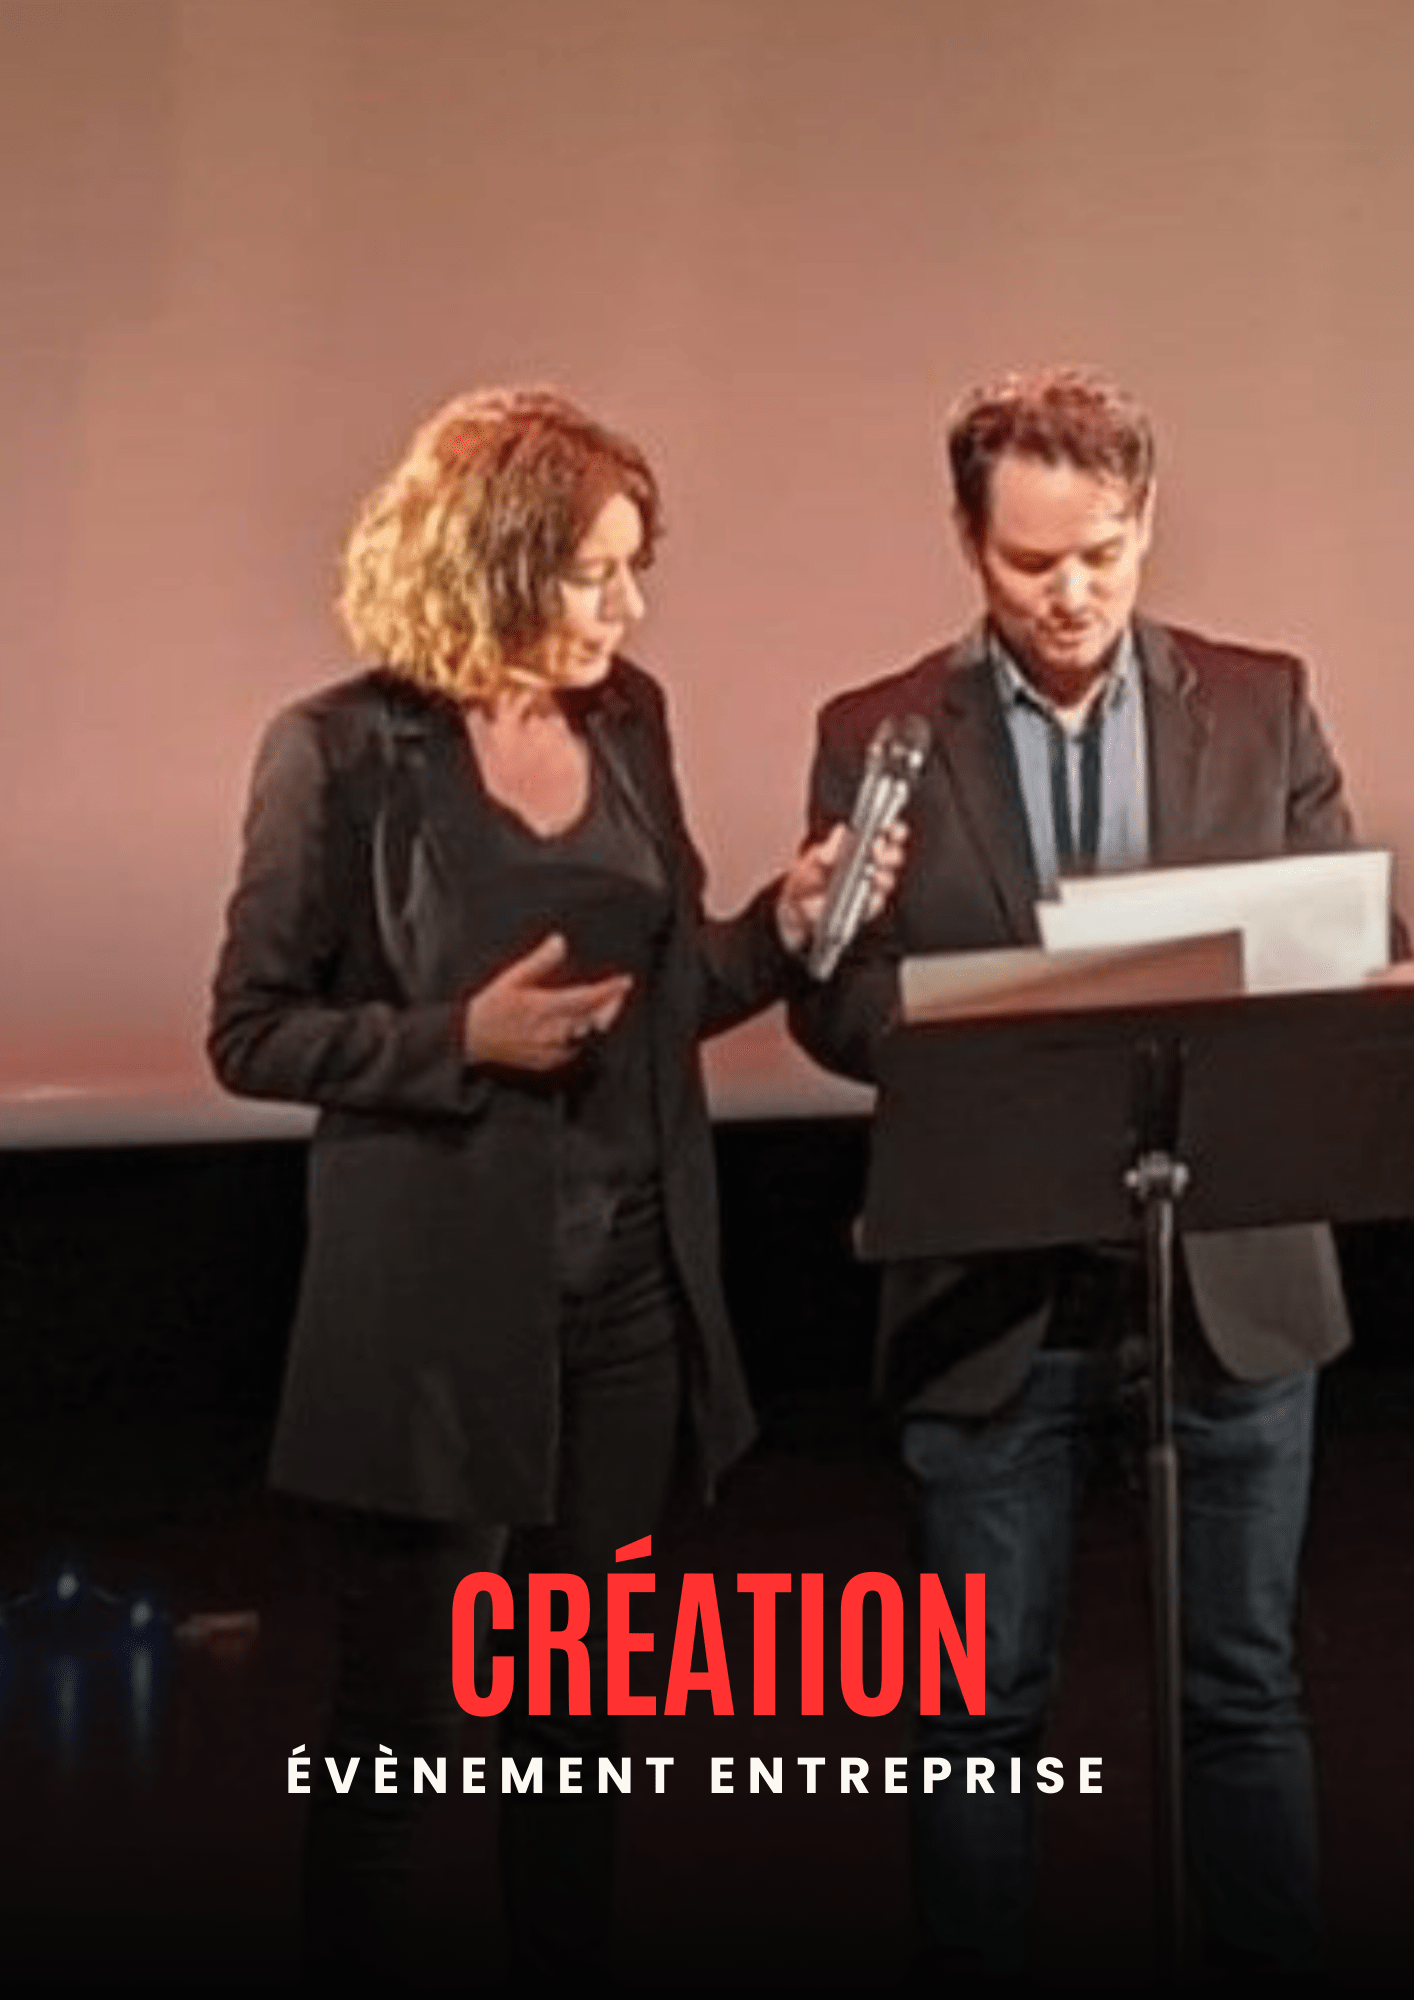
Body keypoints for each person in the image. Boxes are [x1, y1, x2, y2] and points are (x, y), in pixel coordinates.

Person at [208, 386, 896, 1986]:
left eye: (634, 567)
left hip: (630, 1302)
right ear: (492, 566)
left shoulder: (627, 718)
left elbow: (661, 995)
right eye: (593, 573)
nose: (625, 606)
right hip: (439, 1321)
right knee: (399, 1732)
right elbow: (248, 1031)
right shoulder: (338, 751)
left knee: (579, 1728)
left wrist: (783, 933)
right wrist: (461, 1038)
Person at [790, 366, 1374, 1979]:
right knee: (976, 1706)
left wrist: (1321, 954)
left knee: (1241, 1687)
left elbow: (1352, 940)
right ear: (963, 537)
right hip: (993, 1283)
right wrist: (970, 1021)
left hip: (1229, 1272)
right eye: (1030, 560)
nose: (1071, 594)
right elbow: (832, 1003)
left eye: (1103, 554)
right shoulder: (876, 733)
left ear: (1145, 521)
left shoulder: (1258, 701)